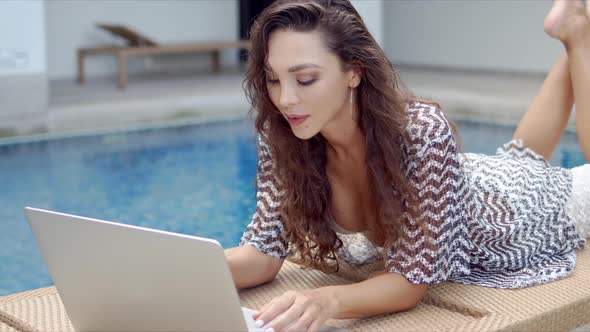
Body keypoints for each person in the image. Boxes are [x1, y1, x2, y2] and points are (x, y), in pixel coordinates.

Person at [225, 0, 590, 331]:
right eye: (273, 79)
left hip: (521, 214)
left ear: (354, 71)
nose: (285, 99)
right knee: (517, 158)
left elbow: (411, 281)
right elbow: (262, 252)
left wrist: (328, 299)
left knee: (561, 175)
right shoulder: (285, 138)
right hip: (476, 185)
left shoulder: (422, 132)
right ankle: (572, 27)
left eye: (305, 79)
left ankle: (579, 36)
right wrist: (183, 270)